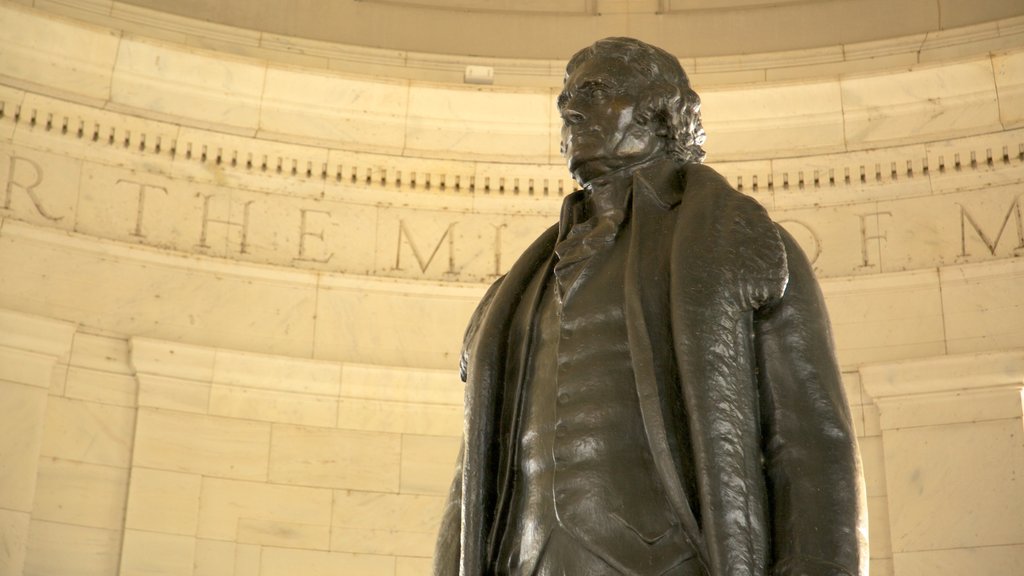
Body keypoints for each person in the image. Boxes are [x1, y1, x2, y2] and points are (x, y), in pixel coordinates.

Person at [434, 37, 867, 576]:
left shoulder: (740, 245)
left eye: (593, 92)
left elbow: (808, 444)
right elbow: (469, 478)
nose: (569, 109)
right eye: (567, 97)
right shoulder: (514, 292)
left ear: (660, 111)